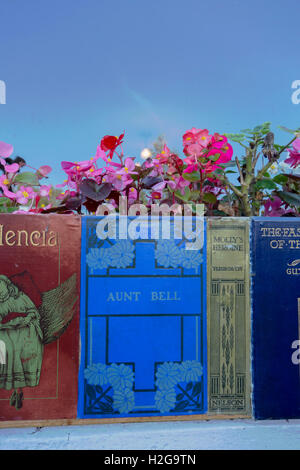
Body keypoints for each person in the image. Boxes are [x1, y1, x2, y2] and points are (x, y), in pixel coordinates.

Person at [0, 275, 43, 410]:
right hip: (6, 331)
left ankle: (18, 392)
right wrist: (10, 323)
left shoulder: (20, 297)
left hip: (26, 330)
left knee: (22, 345)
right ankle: (14, 390)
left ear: (7, 286)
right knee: (7, 347)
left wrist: (27, 318)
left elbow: (34, 312)